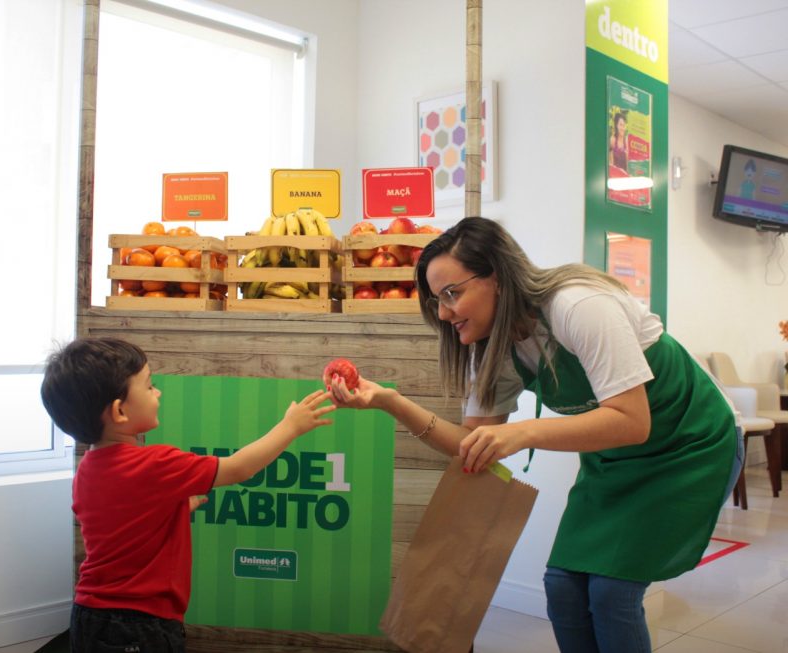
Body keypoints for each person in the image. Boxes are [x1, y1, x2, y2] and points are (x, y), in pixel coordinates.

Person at [328, 217, 742, 653]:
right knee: (563, 587)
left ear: (498, 278)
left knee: (611, 593)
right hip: (615, 459)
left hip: (690, 445)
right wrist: (389, 401)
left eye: (452, 294)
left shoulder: (579, 306)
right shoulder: (491, 351)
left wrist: (523, 433)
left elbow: (631, 421)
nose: (445, 313)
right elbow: (472, 447)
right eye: (437, 301)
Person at [40, 337, 335, 652]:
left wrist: (175, 507)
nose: (158, 392)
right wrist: (290, 426)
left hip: (88, 615)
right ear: (120, 411)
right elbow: (238, 468)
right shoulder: (156, 463)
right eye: (150, 386)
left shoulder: (86, 470)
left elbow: (123, 523)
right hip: (141, 623)